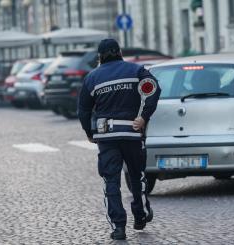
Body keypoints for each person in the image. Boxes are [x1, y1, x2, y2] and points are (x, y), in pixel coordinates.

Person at [77, 39, 161, 240]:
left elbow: (83, 110)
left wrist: (89, 132)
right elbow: (154, 89)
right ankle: (140, 215)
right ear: (120, 52)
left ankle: (118, 227)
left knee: (110, 180)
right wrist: (143, 117)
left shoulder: (91, 78)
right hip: (132, 132)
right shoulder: (136, 70)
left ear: (99, 56)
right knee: (137, 175)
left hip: (106, 136)